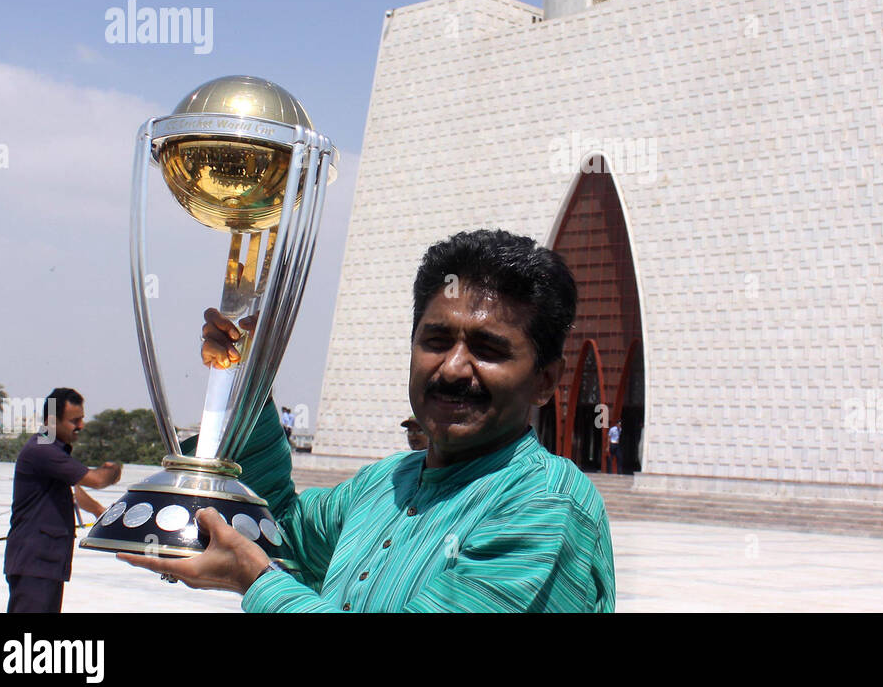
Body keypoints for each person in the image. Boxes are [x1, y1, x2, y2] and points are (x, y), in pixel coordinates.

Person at [121, 229, 616, 612]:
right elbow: (281, 534)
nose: (452, 368)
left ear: (546, 381)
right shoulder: (386, 484)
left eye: (488, 349)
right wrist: (247, 380)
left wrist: (257, 583)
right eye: (436, 341)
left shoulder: (544, 505)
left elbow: (263, 565)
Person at [4, 387, 122, 613]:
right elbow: (96, 480)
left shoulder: (53, 451)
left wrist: (99, 511)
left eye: (82, 419)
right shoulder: (43, 450)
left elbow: (75, 490)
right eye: (74, 420)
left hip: (46, 564)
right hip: (34, 564)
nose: (81, 426)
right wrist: (114, 470)